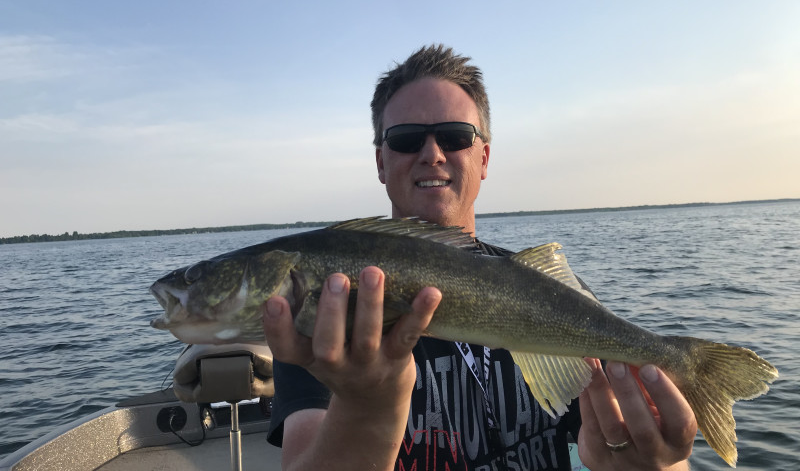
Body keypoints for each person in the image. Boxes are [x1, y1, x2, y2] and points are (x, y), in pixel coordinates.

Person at [263, 45, 697, 470]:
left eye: (454, 137)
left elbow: (634, 443)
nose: (432, 154)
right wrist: (365, 407)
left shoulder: (555, 292)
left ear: (484, 157)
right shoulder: (322, 319)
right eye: (407, 139)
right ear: (381, 162)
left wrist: (648, 464)